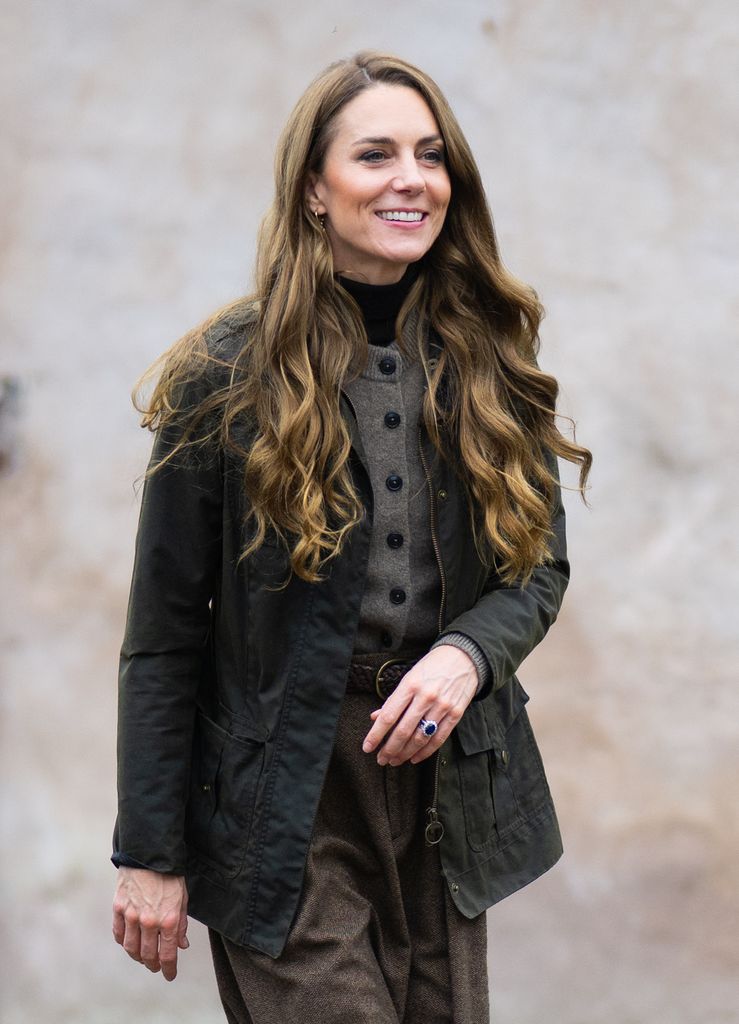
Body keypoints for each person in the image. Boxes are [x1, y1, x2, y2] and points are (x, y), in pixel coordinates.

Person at [111, 49, 592, 1023]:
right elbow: (163, 636)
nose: (410, 177)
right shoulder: (222, 378)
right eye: (374, 154)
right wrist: (148, 852)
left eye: (429, 153)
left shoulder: (489, 354)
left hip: (443, 777)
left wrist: (466, 656)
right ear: (313, 192)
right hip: (281, 791)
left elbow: (537, 566)